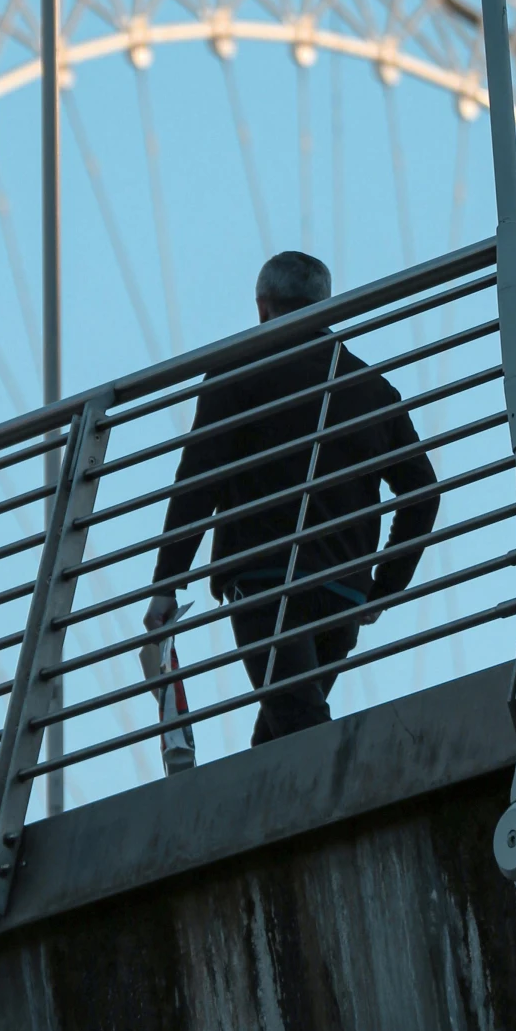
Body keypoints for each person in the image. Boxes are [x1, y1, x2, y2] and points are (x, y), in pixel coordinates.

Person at [144, 250, 439, 748]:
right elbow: (423, 493)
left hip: (266, 583)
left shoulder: (236, 372)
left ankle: (367, 793)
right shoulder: (370, 387)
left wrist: (166, 584)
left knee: (302, 731)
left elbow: (199, 481)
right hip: (343, 594)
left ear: (263, 307)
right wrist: (383, 588)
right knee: (285, 733)